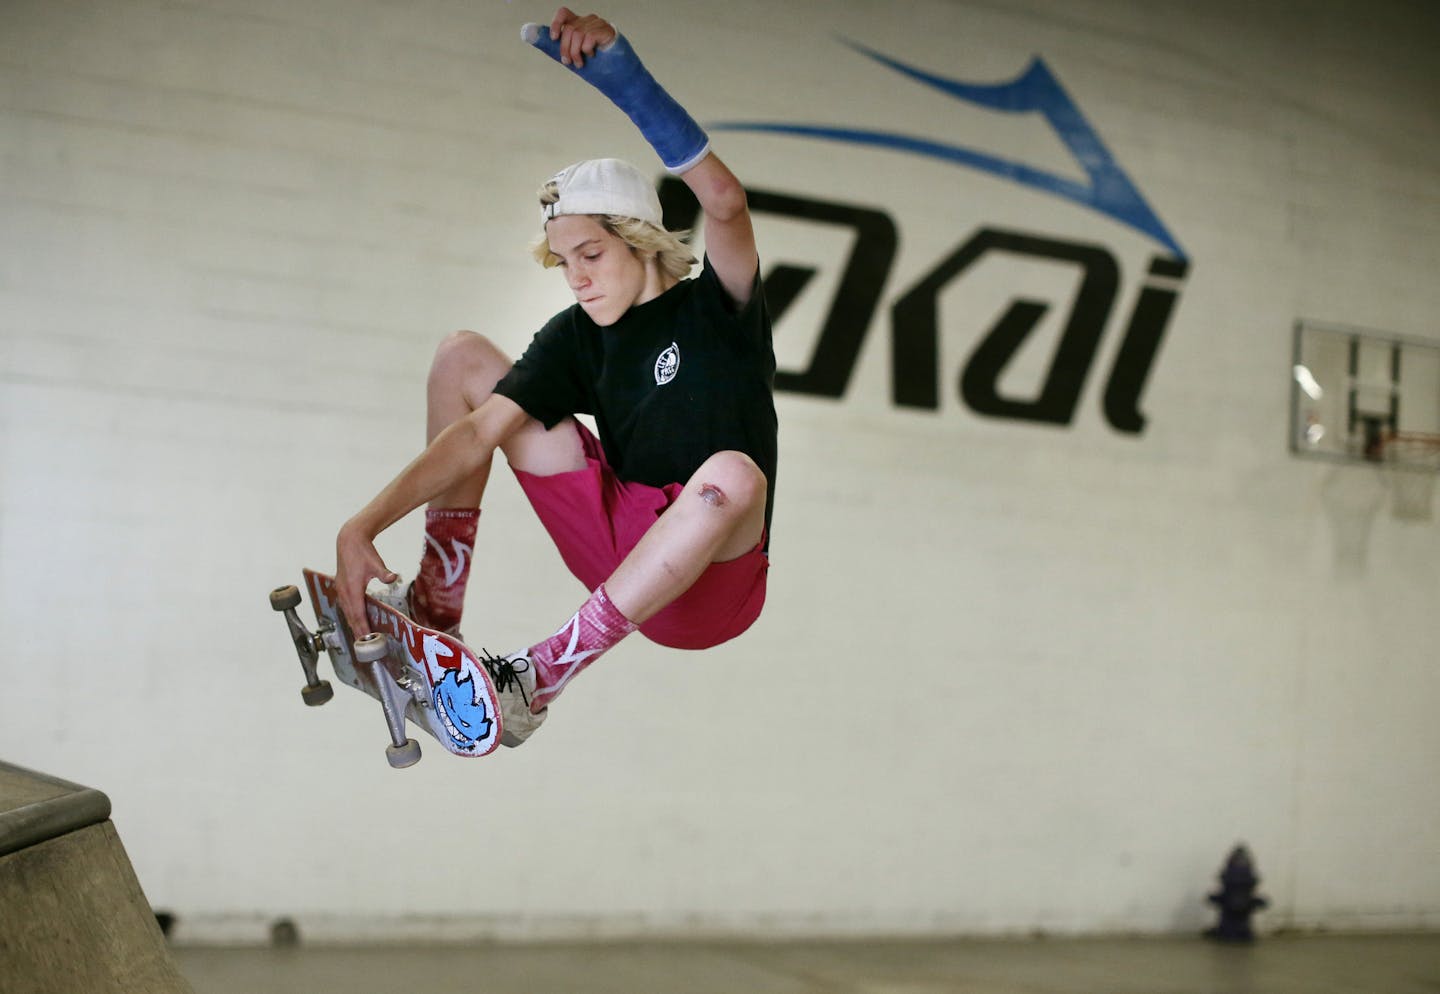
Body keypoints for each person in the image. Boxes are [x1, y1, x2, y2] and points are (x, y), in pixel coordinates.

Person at [333, 7, 777, 748]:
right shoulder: (577, 339)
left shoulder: (717, 312)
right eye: (563, 261)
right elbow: (478, 432)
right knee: (463, 356)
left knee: (732, 473)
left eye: (591, 255)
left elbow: (725, 203)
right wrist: (362, 526)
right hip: (623, 549)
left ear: (638, 242)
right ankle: (438, 604)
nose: (575, 278)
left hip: (711, 588)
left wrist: (629, 86)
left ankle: (536, 678)